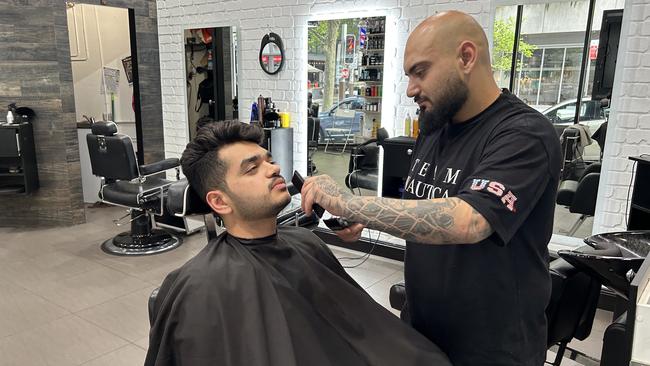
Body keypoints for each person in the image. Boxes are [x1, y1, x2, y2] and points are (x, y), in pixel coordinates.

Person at [300, 11, 562, 366]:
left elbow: (470, 220)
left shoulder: (524, 133)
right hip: (422, 335)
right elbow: (427, 201)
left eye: (420, 72)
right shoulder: (435, 124)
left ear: (466, 57)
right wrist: (368, 219)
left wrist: (349, 204)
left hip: (494, 350)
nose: (410, 89)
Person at [144, 121, 451, 366]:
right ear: (219, 201)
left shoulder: (306, 243)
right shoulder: (198, 288)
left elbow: (361, 331)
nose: (274, 168)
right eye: (252, 168)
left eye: (270, 160)